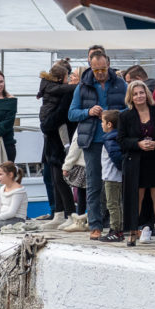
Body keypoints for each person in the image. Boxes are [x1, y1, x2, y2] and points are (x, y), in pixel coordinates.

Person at [68, 50, 128, 240]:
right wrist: (88, 112)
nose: (100, 73)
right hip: (92, 141)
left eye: (103, 69)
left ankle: (118, 224)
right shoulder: (82, 86)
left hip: (116, 140)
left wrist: (114, 115)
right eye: (96, 70)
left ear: (108, 65)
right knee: (93, 185)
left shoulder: (120, 84)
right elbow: (71, 113)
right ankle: (95, 225)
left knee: (117, 184)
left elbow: (129, 109)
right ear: (90, 67)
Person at [119, 80, 155, 247]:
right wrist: (138, 144)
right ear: (130, 97)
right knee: (137, 199)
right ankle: (133, 233)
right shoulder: (125, 116)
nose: (139, 96)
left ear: (146, 94)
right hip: (136, 162)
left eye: (141, 92)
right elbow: (121, 141)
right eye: (135, 94)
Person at [37, 61, 77, 229]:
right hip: (54, 139)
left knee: (60, 179)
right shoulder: (61, 89)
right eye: (70, 76)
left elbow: (61, 116)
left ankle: (69, 213)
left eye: (74, 76)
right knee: (55, 178)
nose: (71, 78)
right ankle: (59, 213)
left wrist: (46, 125)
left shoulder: (65, 92)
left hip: (59, 139)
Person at [99, 110, 125, 243]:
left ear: (109, 124)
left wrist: (121, 167)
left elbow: (116, 156)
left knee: (112, 204)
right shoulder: (116, 137)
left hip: (111, 177)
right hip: (115, 177)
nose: (101, 124)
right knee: (117, 204)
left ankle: (115, 230)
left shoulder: (109, 139)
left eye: (102, 122)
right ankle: (118, 229)